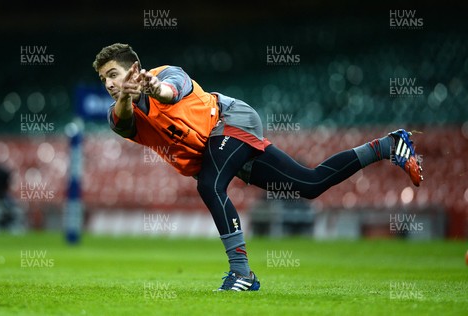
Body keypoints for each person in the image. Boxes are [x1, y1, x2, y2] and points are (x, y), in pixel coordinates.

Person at [92, 43, 423, 291]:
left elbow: (169, 93)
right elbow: (123, 119)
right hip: (218, 146)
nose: (108, 83)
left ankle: (242, 274)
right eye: (103, 78)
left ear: (133, 69)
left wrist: (148, 86)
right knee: (310, 184)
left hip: (230, 120)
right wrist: (126, 94)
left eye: (114, 74)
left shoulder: (166, 74)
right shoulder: (117, 115)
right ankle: (387, 145)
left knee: (209, 185)